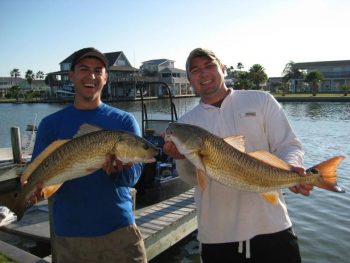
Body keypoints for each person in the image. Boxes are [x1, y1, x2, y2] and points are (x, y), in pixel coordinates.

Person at [163, 48, 313, 263]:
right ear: (189, 79)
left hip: (272, 226)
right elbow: (192, 179)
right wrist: (180, 158)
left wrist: (292, 168)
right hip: (217, 236)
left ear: (223, 69)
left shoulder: (261, 100)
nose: (203, 73)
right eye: (195, 70)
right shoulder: (187, 122)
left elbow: (288, 144)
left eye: (209, 65)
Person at [31, 47, 147, 263]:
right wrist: (35, 189)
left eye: (98, 70)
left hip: (119, 232)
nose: (91, 76)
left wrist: (120, 171)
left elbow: (134, 177)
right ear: (71, 75)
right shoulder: (50, 125)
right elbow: (38, 172)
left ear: (106, 78)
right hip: (70, 236)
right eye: (84, 69)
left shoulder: (124, 121)